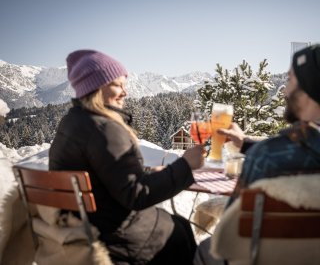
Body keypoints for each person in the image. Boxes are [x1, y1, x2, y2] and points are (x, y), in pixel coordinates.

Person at [49, 50, 205, 265]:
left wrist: (149, 173)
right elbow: (137, 195)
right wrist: (186, 165)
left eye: (125, 85)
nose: (125, 92)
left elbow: (104, 175)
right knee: (179, 229)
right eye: (117, 85)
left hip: (84, 226)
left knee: (179, 225)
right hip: (116, 236)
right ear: (96, 87)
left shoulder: (72, 122)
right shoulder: (104, 128)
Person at [194, 44, 320, 265]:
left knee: (203, 249)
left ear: (308, 89)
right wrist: (245, 144)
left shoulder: (267, 155)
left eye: (290, 80)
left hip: (265, 258)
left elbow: (232, 230)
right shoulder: (268, 153)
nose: (284, 90)